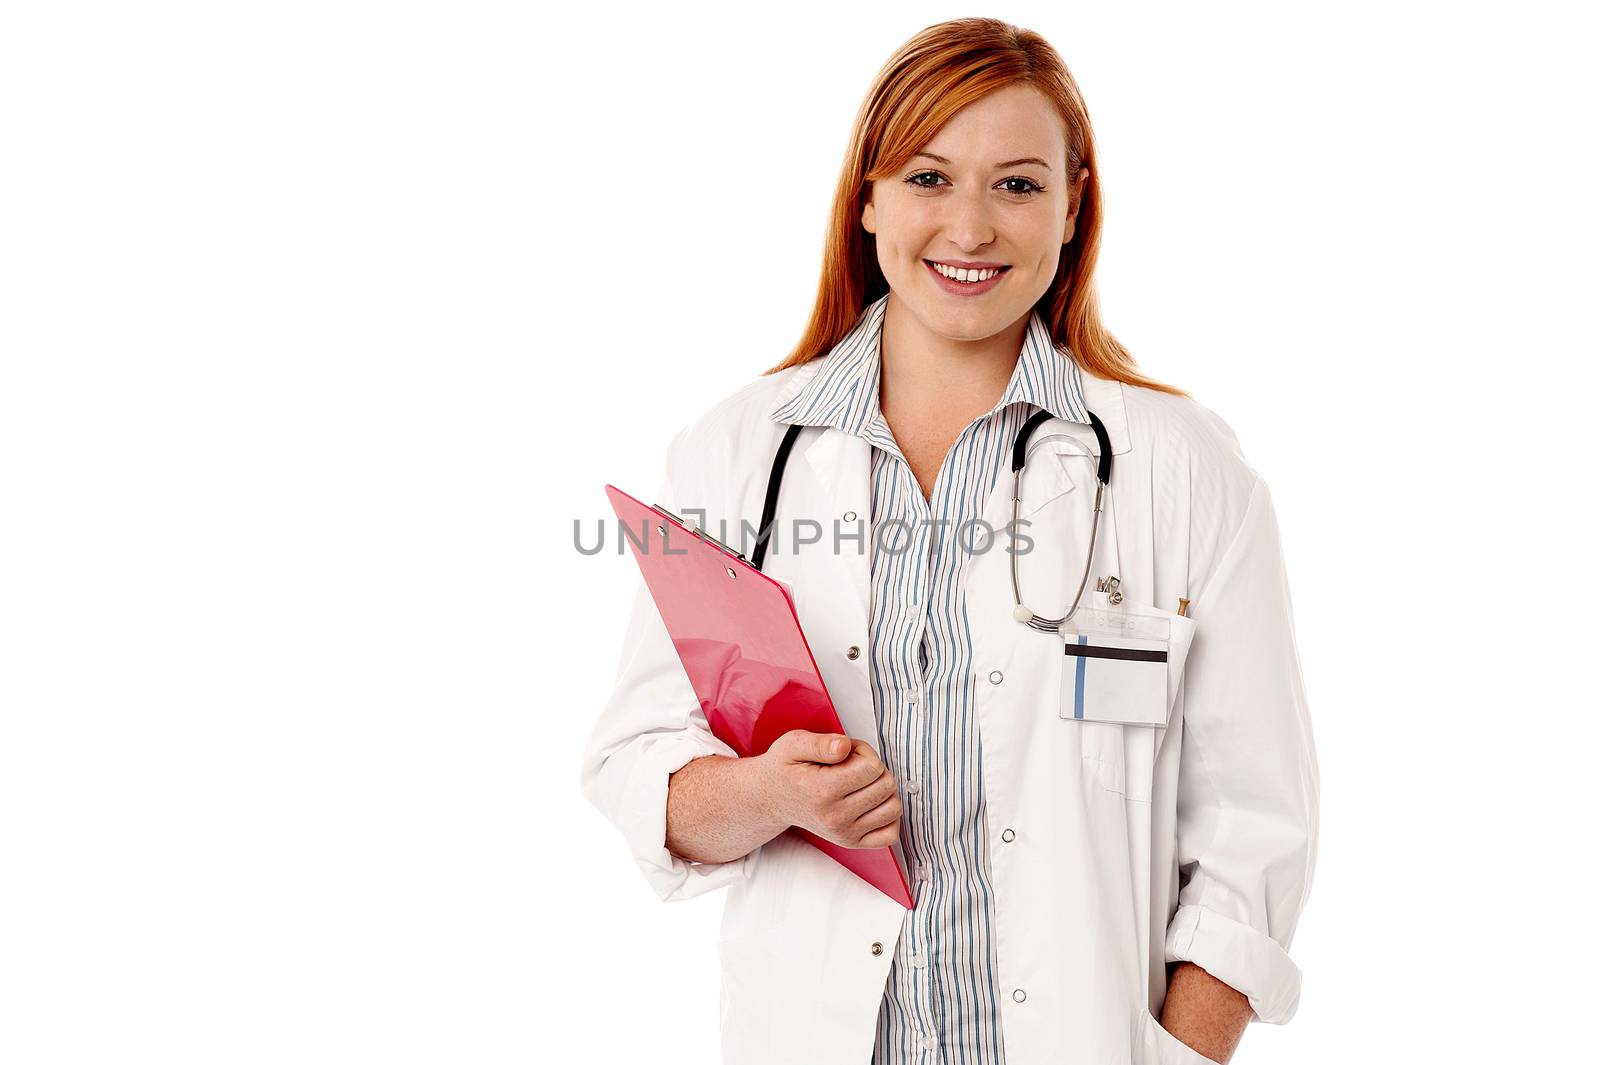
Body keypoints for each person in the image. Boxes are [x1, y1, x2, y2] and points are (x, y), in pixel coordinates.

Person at [579, 17, 1318, 1065]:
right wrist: (773, 793)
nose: (969, 227)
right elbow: (636, 766)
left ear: (1073, 206)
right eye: (929, 177)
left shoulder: (1182, 469)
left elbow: (1255, 833)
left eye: (1016, 184)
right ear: (868, 198)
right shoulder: (740, 451)